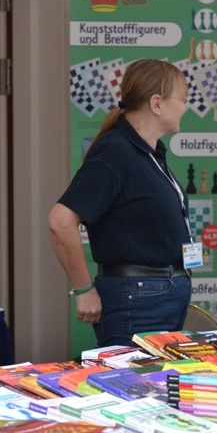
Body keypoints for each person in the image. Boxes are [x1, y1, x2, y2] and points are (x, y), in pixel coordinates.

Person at [48, 59, 195, 347]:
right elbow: (60, 221)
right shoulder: (116, 152)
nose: (185, 108)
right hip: (137, 298)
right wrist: (83, 290)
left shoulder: (150, 153)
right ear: (157, 103)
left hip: (159, 294)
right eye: (182, 100)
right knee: (133, 376)